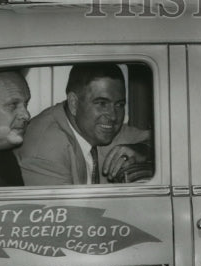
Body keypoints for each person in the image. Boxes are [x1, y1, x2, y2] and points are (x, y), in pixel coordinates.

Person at [19, 62, 152, 185]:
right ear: (74, 104)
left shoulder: (100, 128)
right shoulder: (44, 150)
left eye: (119, 104)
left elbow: (163, 142)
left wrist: (143, 149)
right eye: (101, 104)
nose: (113, 116)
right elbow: (70, 210)